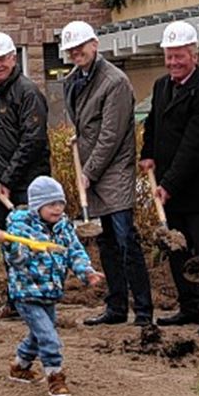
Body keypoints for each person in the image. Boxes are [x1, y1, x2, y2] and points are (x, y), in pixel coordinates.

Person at [60, 20, 153, 327]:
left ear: (94, 45)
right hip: (93, 170)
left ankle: (143, 310)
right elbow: (87, 123)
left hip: (114, 170)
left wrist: (89, 171)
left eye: (80, 47)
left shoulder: (115, 82)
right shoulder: (74, 80)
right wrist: (80, 141)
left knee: (126, 239)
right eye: (71, 49)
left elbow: (111, 135)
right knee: (106, 243)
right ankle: (116, 307)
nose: (76, 53)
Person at [139, 21, 199, 338]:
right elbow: (152, 123)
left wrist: (169, 184)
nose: (173, 62)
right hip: (170, 188)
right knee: (177, 250)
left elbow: (194, 146)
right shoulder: (162, 86)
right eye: (169, 56)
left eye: (179, 56)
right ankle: (189, 307)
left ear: (194, 56)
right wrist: (147, 153)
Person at [0, 175, 104, 396]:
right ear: (37, 206)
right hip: (26, 293)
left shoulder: (64, 227)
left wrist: (86, 272)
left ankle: (20, 366)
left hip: (50, 292)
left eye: (60, 203)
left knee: (39, 335)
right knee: (48, 336)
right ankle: (55, 377)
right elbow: (17, 260)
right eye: (51, 204)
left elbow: (74, 252)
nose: (57, 209)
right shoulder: (21, 227)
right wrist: (9, 244)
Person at [0, 31, 51, 321]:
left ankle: (39, 302)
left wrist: (8, 180)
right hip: (0, 184)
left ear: (13, 57)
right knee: (9, 243)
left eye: (2, 59)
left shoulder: (27, 92)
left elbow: (33, 141)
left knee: (30, 243)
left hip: (27, 185)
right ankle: (15, 300)